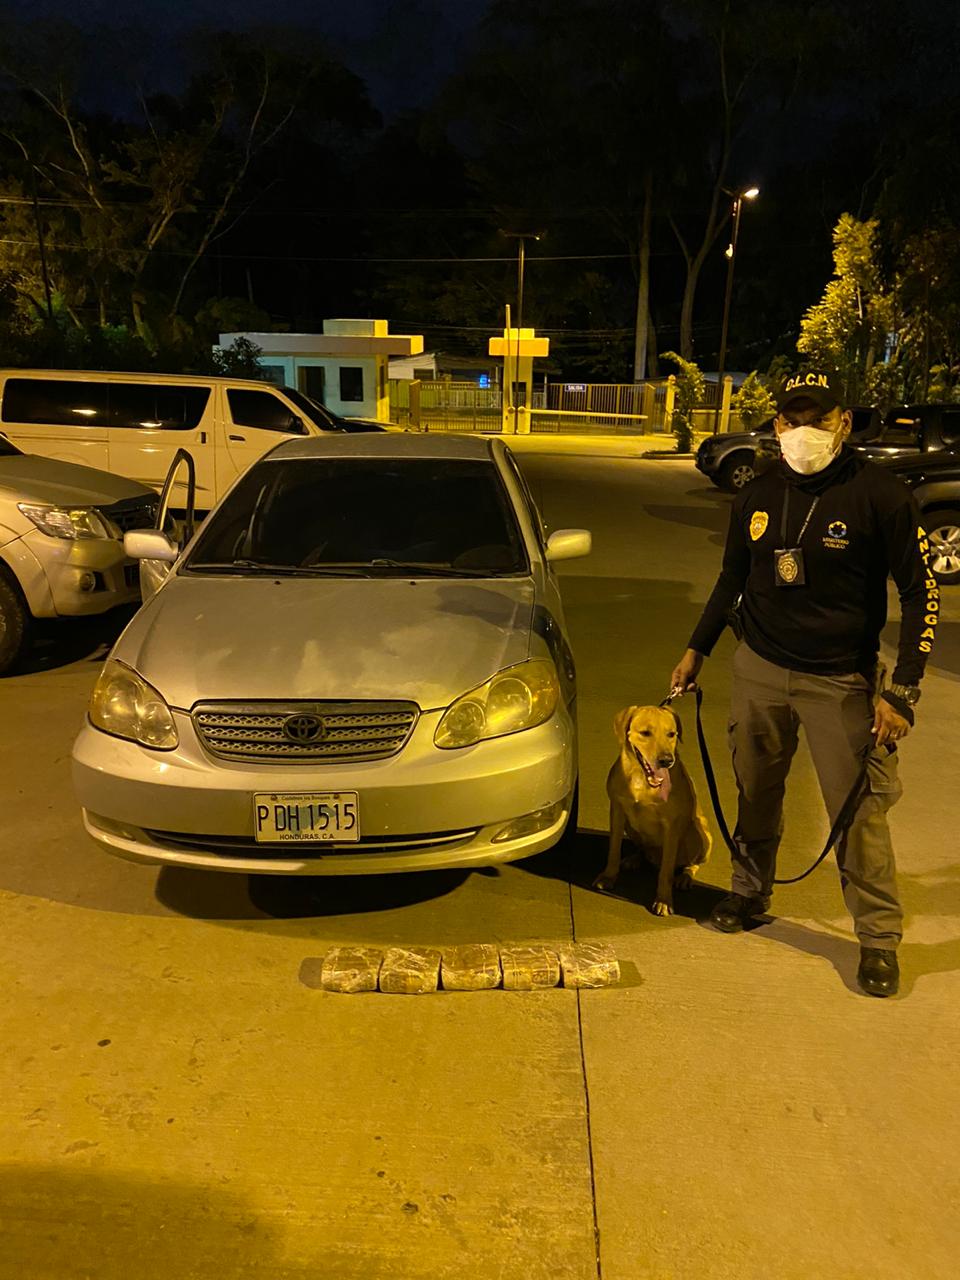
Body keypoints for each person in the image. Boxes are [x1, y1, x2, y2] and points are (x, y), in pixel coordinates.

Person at [670, 370, 939, 997]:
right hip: (759, 667)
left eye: (818, 420)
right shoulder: (758, 492)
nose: (804, 432)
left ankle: (878, 938)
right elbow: (732, 576)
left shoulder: (881, 494)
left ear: (843, 422)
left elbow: (920, 593)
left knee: (858, 814)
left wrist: (901, 690)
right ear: (777, 425)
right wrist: (696, 648)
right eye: (793, 421)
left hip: (840, 681)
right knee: (755, 789)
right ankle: (748, 891)